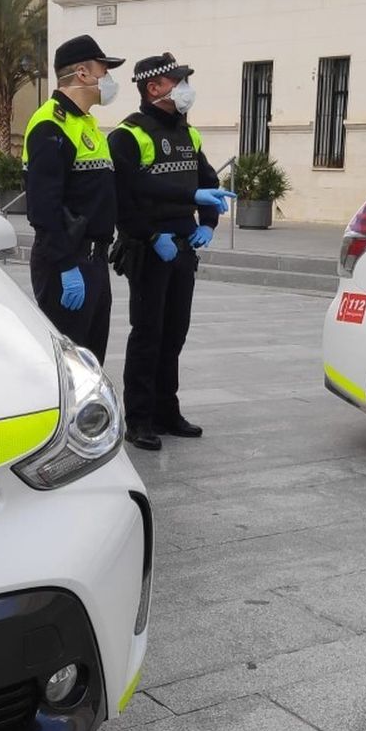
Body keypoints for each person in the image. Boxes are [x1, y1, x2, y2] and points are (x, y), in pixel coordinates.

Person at [108, 52, 236, 451]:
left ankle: (167, 411)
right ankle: (140, 419)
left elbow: (208, 181)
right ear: (154, 88)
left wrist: (208, 225)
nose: (185, 89)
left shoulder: (188, 132)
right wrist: (149, 236)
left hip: (182, 248)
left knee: (174, 333)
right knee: (147, 335)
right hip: (150, 249)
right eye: (177, 81)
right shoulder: (128, 135)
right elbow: (124, 199)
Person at [22, 35, 126, 361]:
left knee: (91, 362)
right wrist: (66, 266)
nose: (108, 79)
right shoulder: (49, 125)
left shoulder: (87, 124)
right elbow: (43, 208)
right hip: (66, 262)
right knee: (69, 366)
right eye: (104, 70)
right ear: (83, 73)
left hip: (93, 259)